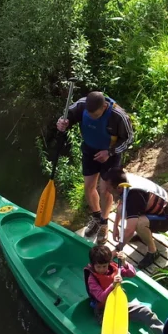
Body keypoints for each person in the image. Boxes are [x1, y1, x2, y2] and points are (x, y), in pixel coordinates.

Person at [57, 91, 133, 245]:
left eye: (95, 115)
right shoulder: (81, 105)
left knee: (105, 190)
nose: (91, 117)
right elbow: (67, 118)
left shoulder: (118, 115)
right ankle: (97, 217)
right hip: (89, 150)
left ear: (104, 106)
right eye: (89, 114)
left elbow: (129, 139)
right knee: (89, 187)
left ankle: (104, 223)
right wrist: (62, 123)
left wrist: (110, 152)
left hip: (110, 154)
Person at [84, 245, 163, 334]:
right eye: (98, 267)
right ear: (92, 265)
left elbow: (132, 273)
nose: (102, 270)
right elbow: (100, 297)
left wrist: (125, 263)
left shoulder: (115, 267)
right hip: (104, 312)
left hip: (120, 305)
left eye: (104, 266)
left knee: (144, 311)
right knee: (123, 333)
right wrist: (112, 285)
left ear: (109, 262)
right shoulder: (92, 278)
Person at [106, 168, 168, 270]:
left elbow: (129, 230)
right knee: (121, 209)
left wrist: (116, 250)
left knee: (139, 223)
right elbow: (121, 204)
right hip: (152, 213)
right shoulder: (124, 182)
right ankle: (143, 234)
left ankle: (153, 252)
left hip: (165, 220)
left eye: (109, 186)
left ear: (119, 187)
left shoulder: (134, 195)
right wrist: (115, 227)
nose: (107, 188)